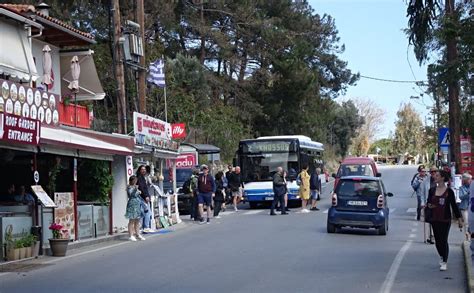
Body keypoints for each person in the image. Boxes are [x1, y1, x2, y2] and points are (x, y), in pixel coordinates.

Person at [425, 170, 462, 271]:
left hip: (445, 218)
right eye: (435, 176)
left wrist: (459, 219)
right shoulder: (432, 190)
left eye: (437, 176)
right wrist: (428, 206)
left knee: (443, 240)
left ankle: (444, 261)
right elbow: (428, 202)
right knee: (437, 241)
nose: (434, 177)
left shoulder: (449, 191)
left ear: (442, 178)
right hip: (434, 218)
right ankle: (442, 256)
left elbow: (454, 206)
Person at [125, 175, 146, 241]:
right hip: (132, 204)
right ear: (132, 181)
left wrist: (138, 191)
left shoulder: (135, 187)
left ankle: (138, 234)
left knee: (137, 219)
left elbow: (138, 193)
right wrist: (135, 189)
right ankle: (131, 235)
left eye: (136, 180)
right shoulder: (129, 187)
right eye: (134, 180)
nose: (135, 181)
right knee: (132, 220)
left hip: (137, 203)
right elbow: (131, 195)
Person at [421, 166, 438, 243]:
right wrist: (422, 203)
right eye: (432, 172)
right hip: (428, 203)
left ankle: (435, 235)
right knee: (429, 220)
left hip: (438, 204)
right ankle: (430, 236)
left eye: (435, 172)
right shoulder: (425, 181)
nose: (433, 173)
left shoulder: (440, 180)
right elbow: (422, 193)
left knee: (436, 220)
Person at [136, 165, 152, 232]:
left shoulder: (142, 177)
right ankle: (146, 227)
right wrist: (146, 196)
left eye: (144, 169)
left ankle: (142, 227)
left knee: (142, 213)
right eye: (142, 169)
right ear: (139, 170)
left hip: (142, 197)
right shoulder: (140, 178)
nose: (144, 170)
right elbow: (142, 188)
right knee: (147, 212)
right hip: (143, 197)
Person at [458, 173, 472, 240]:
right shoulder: (461, 188)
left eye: (471, 179)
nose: (470, 180)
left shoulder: (472, 187)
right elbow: (461, 197)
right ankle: (467, 236)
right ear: (465, 180)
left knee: (472, 221)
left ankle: (471, 235)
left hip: (472, 207)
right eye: (469, 179)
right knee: (466, 222)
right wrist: (467, 194)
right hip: (464, 207)